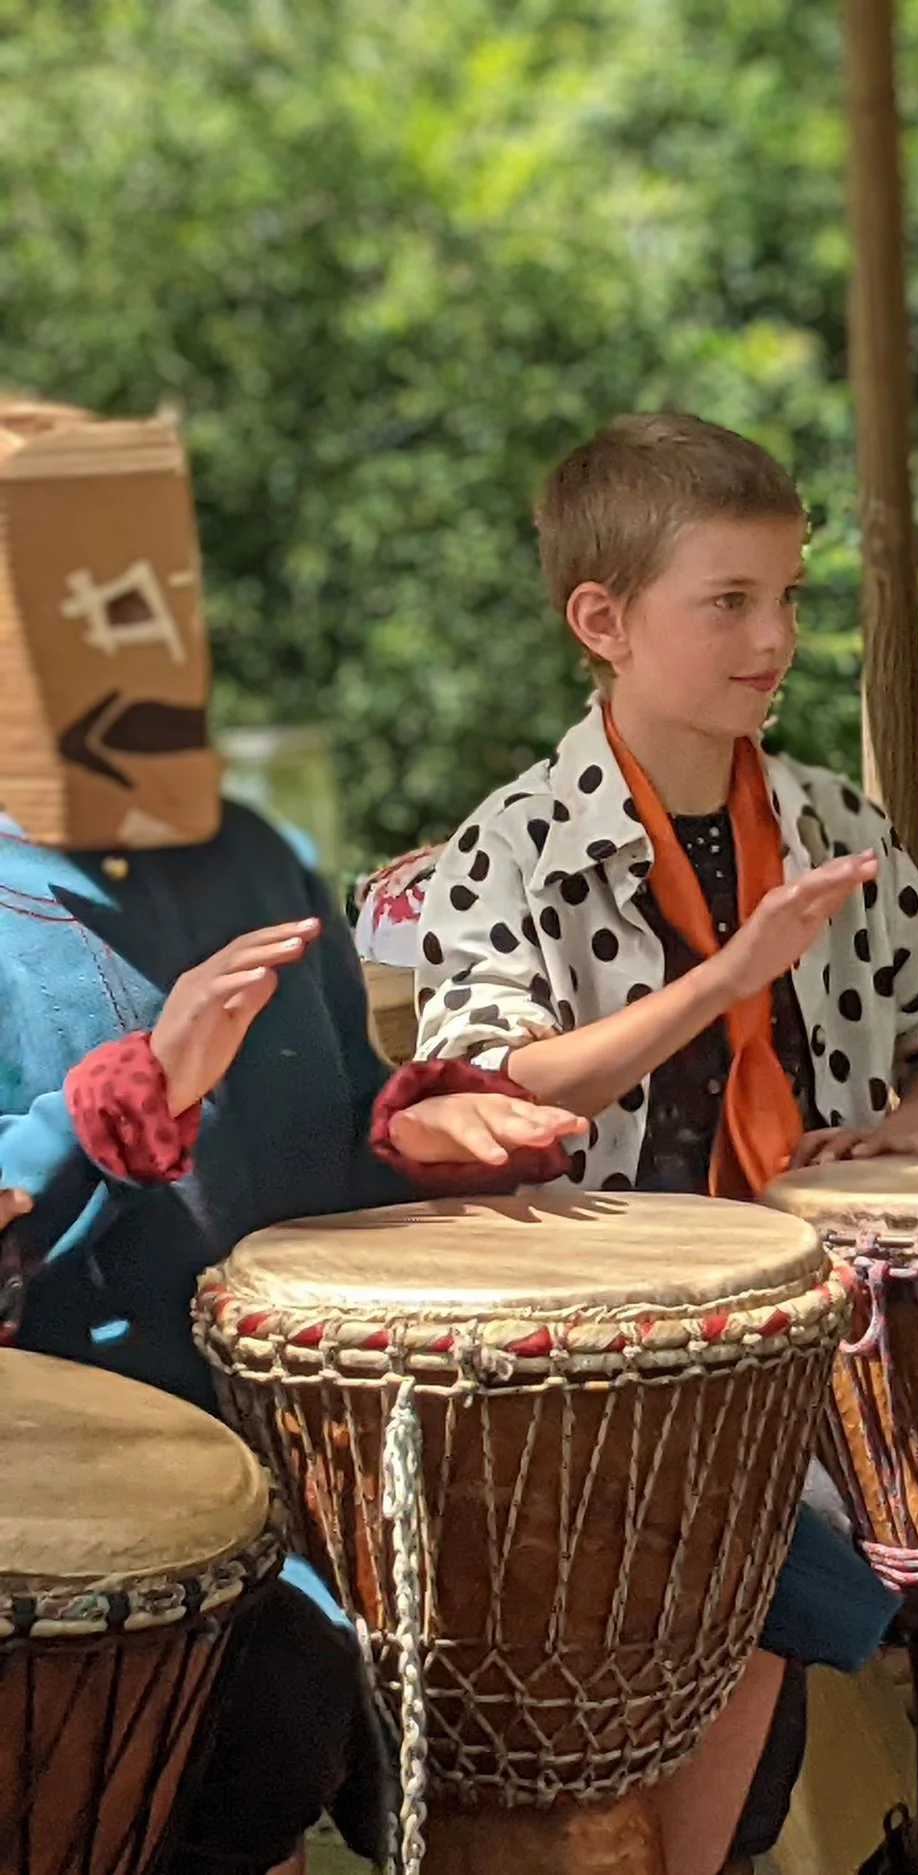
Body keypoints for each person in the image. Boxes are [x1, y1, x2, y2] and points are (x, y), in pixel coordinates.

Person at [0, 396, 585, 1875]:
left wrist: (424, 1131)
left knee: (684, 1568)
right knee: (278, 1702)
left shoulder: (252, 857)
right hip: (79, 1494)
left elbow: (320, 1147)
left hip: (314, 1444)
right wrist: (133, 1093)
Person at [414, 410, 918, 1872]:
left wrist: (914, 1128)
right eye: (728, 601)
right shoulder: (513, 844)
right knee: (758, 1523)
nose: (775, 638)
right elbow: (497, 1082)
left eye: (787, 596)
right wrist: (727, 977)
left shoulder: (833, 820)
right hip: (613, 1336)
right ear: (602, 621)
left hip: (829, 1302)